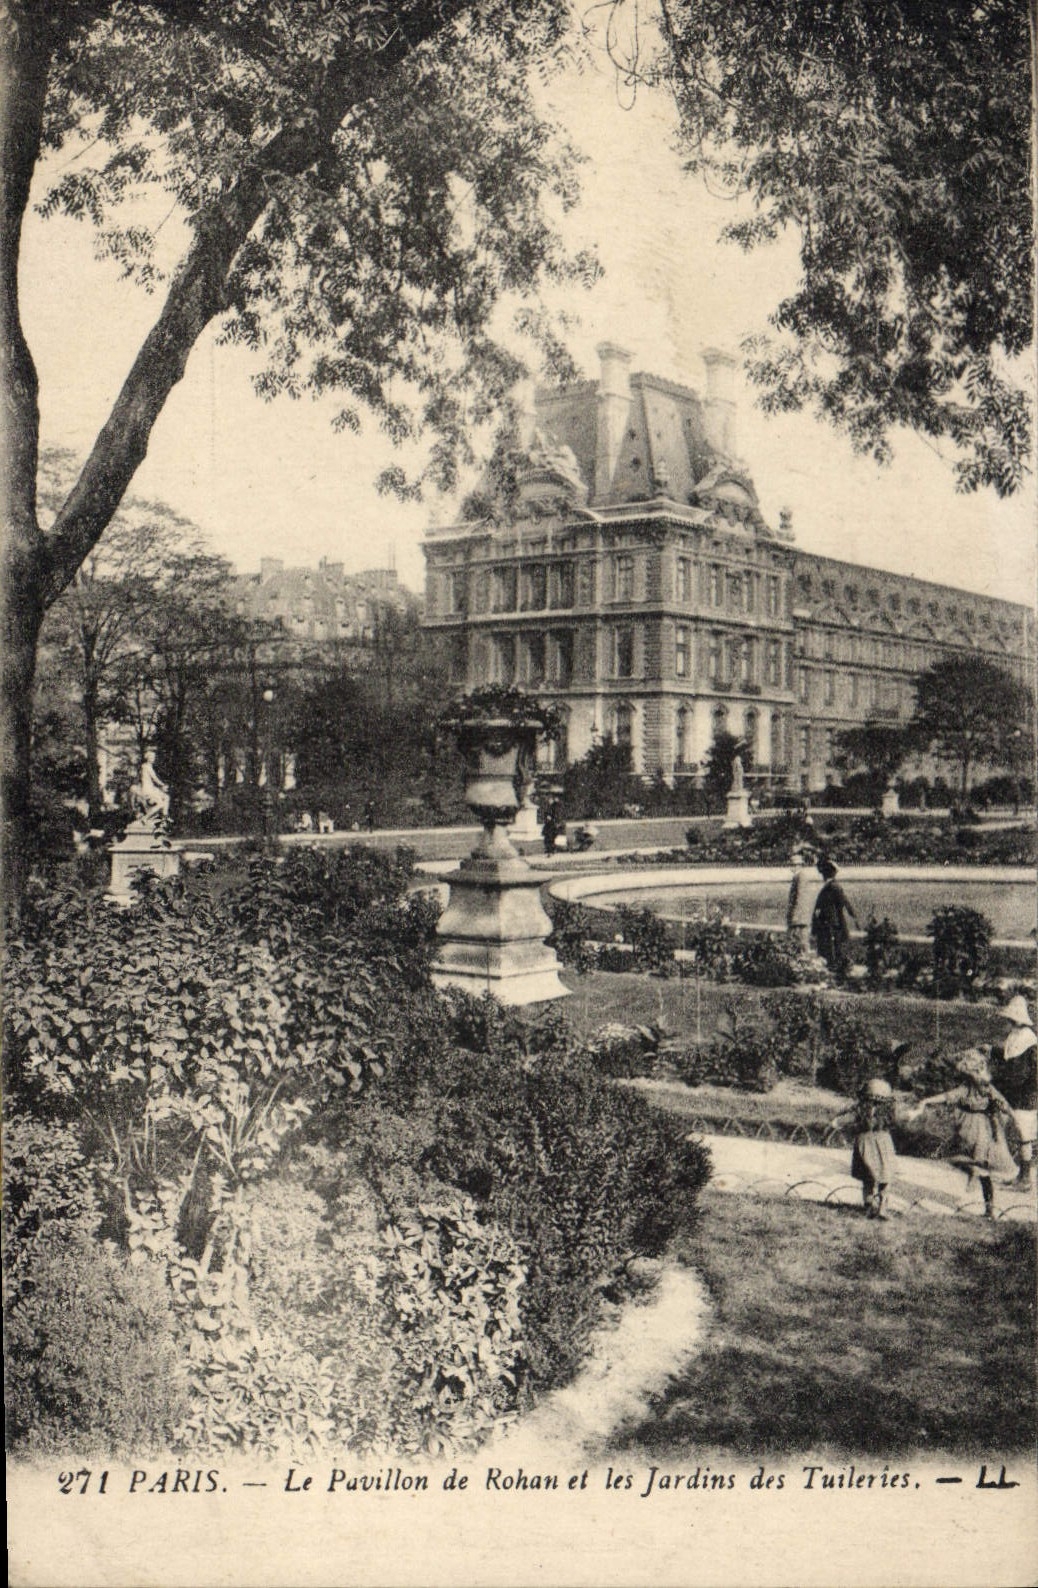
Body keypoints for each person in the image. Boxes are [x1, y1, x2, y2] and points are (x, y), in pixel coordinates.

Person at [909, 1051, 1017, 1219]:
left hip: (975, 1129)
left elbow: (948, 1096)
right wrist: (1012, 1115)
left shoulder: (974, 1088)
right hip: (978, 1130)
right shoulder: (977, 1088)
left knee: (969, 1161)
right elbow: (1004, 1104)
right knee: (980, 1168)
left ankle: (985, 1199)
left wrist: (926, 1101)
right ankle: (988, 1206)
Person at [831, 1078, 899, 1219]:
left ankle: (869, 1207)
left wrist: (839, 1117)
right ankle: (882, 1209)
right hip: (884, 1143)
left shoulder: (859, 1111)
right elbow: (906, 1117)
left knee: (868, 1179)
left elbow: (836, 1122)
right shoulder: (889, 1113)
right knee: (885, 1178)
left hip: (864, 1143)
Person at [994, 995, 1037, 1190]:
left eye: (1009, 1019)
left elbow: (1022, 1072)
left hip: (1026, 1095)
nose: (1007, 1022)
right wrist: (994, 1052)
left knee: (1023, 1134)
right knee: (1019, 1134)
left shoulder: (1029, 1041)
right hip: (1016, 1093)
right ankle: (1020, 1174)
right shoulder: (1015, 1036)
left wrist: (1001, 1081)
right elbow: (1009, 1059)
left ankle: (1026, 1178)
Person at [811, 858, 858, 979]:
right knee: (830, 945)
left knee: (832, 946)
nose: (822, 876)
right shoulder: (831, 886)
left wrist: (853, 915)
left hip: (832, 922)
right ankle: (835, 966)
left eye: (823, 873)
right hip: (829, 921)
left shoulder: (833, 887)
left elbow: (844, 902)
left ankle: (836, 967)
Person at [785, 845, 818, 951]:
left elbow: (800, 897)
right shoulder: (798, 876)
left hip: (800, 917)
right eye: (791, 864)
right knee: (796, 941)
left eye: (794, 865)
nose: (792, 867)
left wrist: (795, 915)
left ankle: (807, 962)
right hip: (800, 917)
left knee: (801, 942)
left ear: (800, 865)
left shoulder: (801, 876)